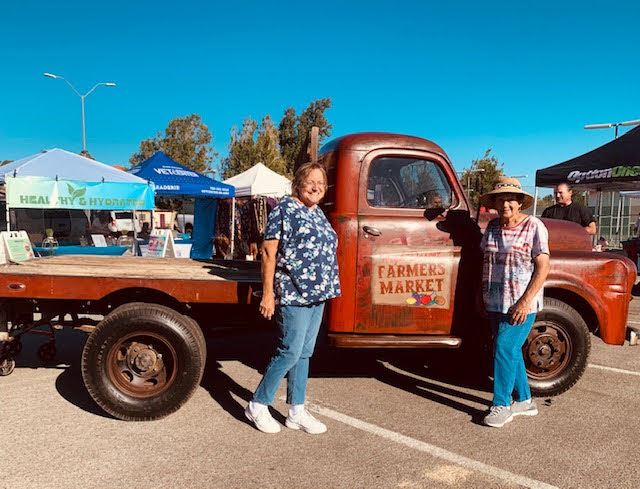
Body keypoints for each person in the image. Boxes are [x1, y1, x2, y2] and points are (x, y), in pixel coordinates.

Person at [245, 162, 341, 434]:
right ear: (298, 183)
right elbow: (268, 252)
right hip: (294, 292)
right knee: (289, 350)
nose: (316, 187)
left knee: (305, 353)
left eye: (321, 183)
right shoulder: (284, 210)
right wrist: (268, 294)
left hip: (318, 293)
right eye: (310, 181)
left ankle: (296, 410)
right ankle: (258, 404)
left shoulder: (318, 213)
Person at [479, 177, 550, 428]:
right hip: (494, 302)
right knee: (510, 351)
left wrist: (525, 301)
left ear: (520, 202)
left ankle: (501, 404)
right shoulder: (492, 226)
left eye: (511, 198)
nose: (506, 203)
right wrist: (482, 295)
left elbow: (543, 266)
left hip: (521, 303)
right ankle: (526, 400)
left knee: (504, 348)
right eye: (500, 198)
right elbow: (485, 261)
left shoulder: (534, 226)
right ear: (495, 202)